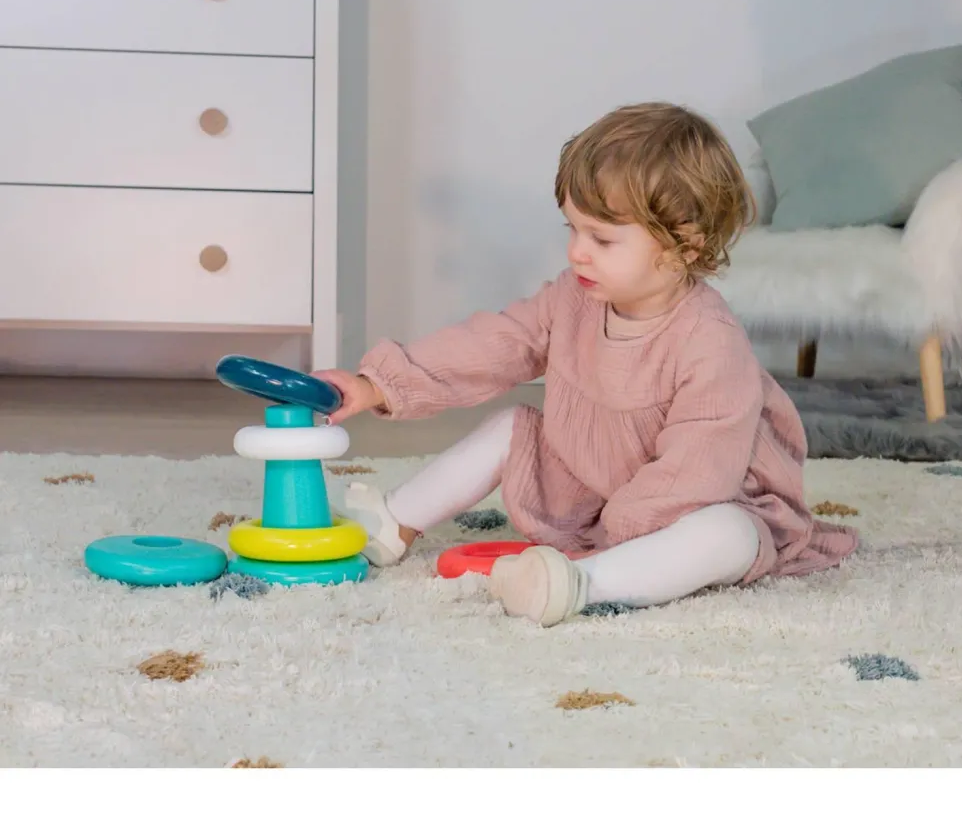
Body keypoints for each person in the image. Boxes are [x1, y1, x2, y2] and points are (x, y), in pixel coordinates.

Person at [314, 102, 859, 628]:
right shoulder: (572, 298)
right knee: (512, 426)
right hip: (600, 487)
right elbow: (492, 345)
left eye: (602, 238)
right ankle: (394, 520)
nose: (578, 251)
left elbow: (695, 473)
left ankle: (583, 584)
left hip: (705, 501)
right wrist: (378, 385)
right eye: (572, 229)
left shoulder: (711, 343)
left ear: (685, 246)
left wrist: (614, 539)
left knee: (726, 535)